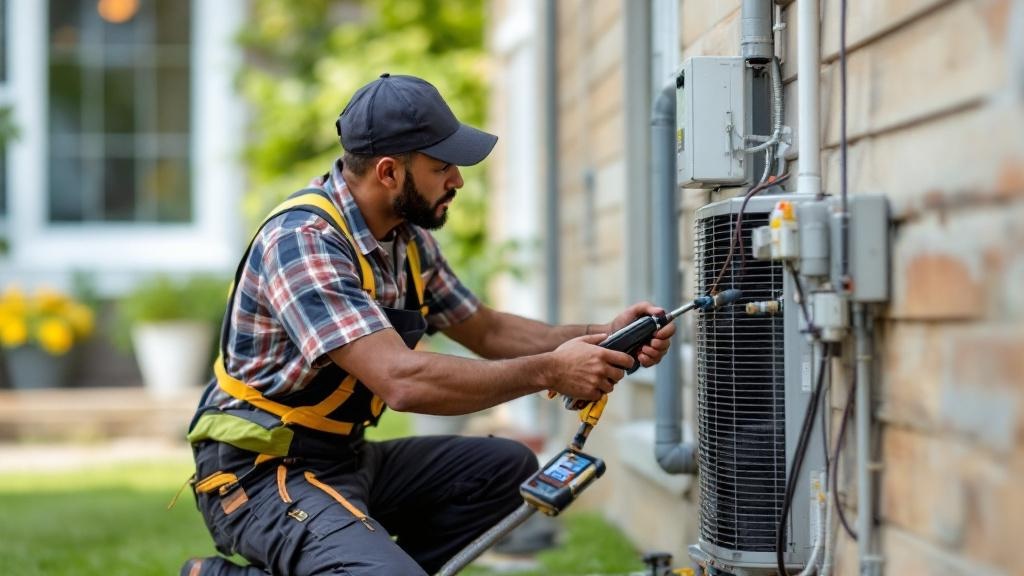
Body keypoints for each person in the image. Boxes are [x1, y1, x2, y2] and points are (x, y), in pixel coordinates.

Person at [181, 73, 675, 576]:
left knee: (503, 471)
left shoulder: (405, 239)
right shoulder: (303, 241)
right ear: (390, 172)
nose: (457, 180)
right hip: (261, 473)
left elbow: (486, 331)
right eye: (443, 167)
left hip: (342, 459)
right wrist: (550, 371)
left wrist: (602, 333)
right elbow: (401, 381)